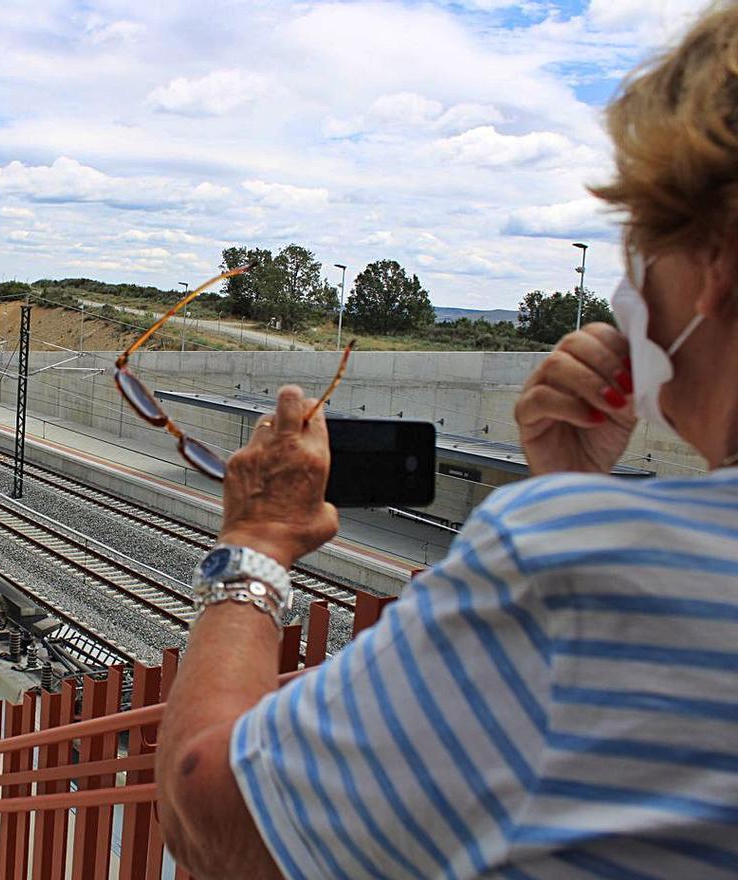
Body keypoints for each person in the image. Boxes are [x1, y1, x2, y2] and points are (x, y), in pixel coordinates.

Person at [158, 5, 738, 878]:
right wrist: (565, 490)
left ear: (717, 262)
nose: (630, 290)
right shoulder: (592, 548)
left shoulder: (578, 570)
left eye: (642, 245)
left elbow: (209, 816)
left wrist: (257, 543)